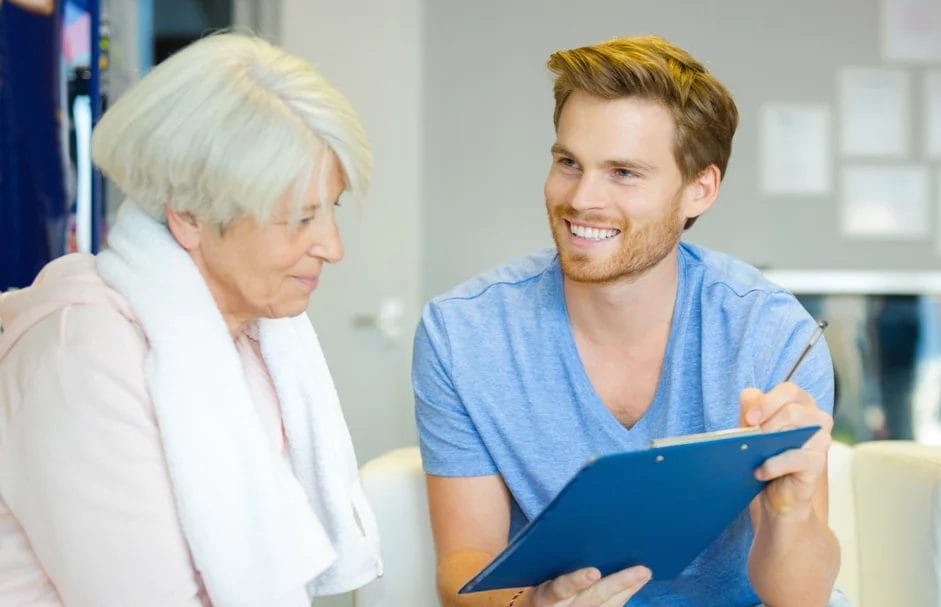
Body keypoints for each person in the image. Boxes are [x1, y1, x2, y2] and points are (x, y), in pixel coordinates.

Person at [414, 35, 842, 607]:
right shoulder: (463, 336)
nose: (582, 198)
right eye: (569, 163)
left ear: (699, 189)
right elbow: (464, 564)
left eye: (623, 172)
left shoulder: (773, 334)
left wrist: (790, 514)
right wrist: (530, 606)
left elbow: (802, 598)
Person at [0, 33, 382, 606]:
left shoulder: (253, 337)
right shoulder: (80, 354)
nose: (332, 246)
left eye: (332, 208)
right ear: (189, 216)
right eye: (301, 218)